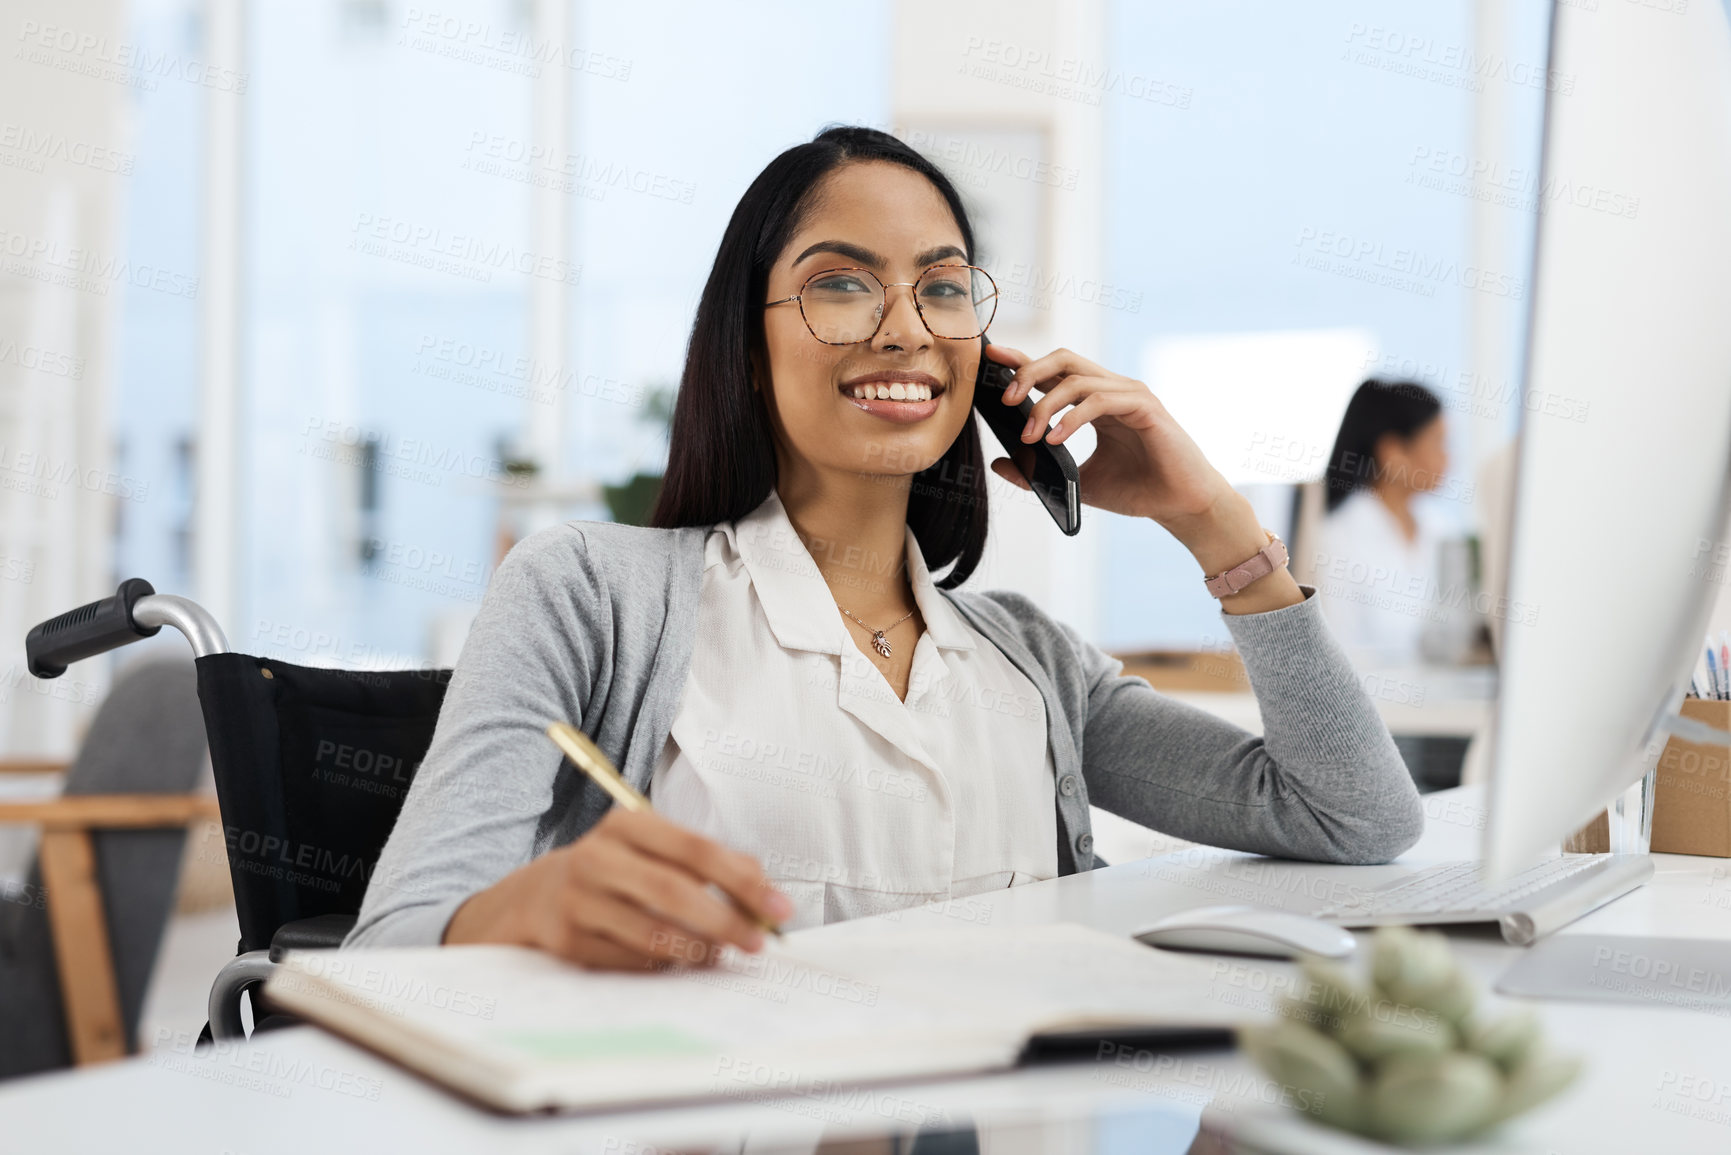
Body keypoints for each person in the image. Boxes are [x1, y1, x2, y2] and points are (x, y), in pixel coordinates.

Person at [346, 126, 1423, 969]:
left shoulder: (1030, 661)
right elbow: (392, 945)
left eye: (943, 287)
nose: (906, 326)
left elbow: (1354, 814)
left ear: (983, 357)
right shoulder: (595, 593)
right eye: (842, 281)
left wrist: (1214, 522)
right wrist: (528, 908)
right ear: (748, 343)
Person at [1312, 379, 1457, 670]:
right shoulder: (1336, 537)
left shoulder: (1443, 531)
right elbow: (1339, 654)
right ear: (1393, 452)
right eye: (1437, 443)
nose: (1448, 458)